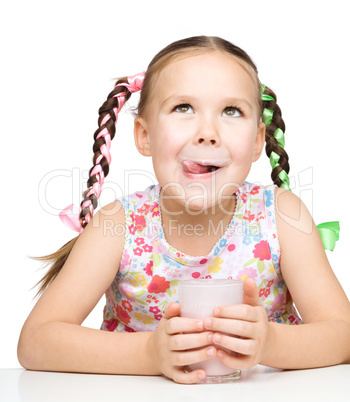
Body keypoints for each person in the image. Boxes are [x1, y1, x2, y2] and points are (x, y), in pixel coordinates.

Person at [17, 36, 350, 384]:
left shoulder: (281, 216)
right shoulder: (118, 225)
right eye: (183, 108)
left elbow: (343, 335)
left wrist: (272, 342)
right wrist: (149, 354)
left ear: (256, 141)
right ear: (144, 135)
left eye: (231, 111)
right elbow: (36, 342)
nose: (207, 133)